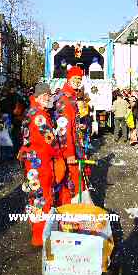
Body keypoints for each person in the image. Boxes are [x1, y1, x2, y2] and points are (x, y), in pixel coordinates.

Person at [18, 83, 60, 246]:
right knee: (43, 198)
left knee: (35, 197)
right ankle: (41, 236)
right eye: (45, 96)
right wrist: (59, 155)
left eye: (49, 95)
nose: (48, 98)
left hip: (32, 163)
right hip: (41, 163)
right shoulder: (40, 116)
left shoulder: (31, 112)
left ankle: (37, 231)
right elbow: (50, 140)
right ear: (38, 97)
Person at [54, 66, 85, 204]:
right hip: (69, 150)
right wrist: (69, 153)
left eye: (80, 78)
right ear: (69, 78)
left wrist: (79, 126)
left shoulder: (70, 96)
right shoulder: (65, 99)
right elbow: (64, 129)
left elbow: (71, 123)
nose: (78, 81)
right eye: (75, 78)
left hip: (74, 145)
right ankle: (71, 212)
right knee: (71, 183)